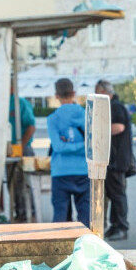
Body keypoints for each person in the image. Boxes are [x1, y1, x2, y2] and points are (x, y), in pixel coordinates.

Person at [46, 78, 89, 225]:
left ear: (56, 95)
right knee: (86, 217)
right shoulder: (86, 115)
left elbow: (57, 147)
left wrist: (68, 146)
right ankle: (87, 245)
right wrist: (81, 145)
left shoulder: (53, 119)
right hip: (83, 170)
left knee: (61, 217)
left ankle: (60, 247)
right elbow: (91, 144)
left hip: (60, 171)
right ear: (74, 93)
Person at [96, 80, 135, 240]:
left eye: (97, 92)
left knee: (118, 195)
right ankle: (115, 225)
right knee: (113, 194)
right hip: (113, 159)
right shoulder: (112, 106)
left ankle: (122, 227)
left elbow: (119, 127)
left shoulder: (115, 106)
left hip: (117, 159)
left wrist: (98, 131)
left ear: (105, 92)